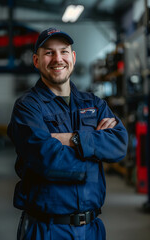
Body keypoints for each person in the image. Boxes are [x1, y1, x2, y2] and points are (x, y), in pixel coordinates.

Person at [7, 27, 128, 240]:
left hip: (91, 229)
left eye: (63, 51)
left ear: (72, 57)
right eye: (48, 53)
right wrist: (95, 152)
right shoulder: (27, 108)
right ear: (36, 61)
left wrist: (72, 139)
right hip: (47, 229)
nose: (57, 59)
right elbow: (48, 160)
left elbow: (119, 144)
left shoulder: (93, 103)